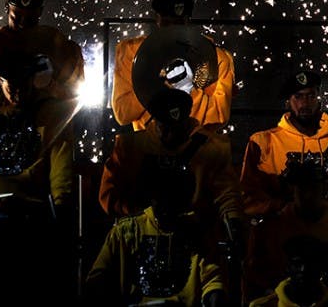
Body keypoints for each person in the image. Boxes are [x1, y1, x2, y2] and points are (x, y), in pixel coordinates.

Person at [99, 87, 245, 294]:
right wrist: (144, 219)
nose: (170, 134)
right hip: (139, 238)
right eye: (165, 127)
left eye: (177, 128)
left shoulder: (211, 148)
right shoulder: (130, 147)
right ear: (154, 122)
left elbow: (227, 194)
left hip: (194, 240)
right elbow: (109, 195)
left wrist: (234, 224)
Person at [0, 50, 76, 300]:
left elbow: (61, 169)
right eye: (12, 87)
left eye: (25, 85)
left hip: (33, 221)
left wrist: (62, 208)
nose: (19, 93)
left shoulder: (52, 112)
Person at [85, 159, 228, 306]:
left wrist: (214, 295)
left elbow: (212, 278)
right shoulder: (126, 232)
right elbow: (96, 281)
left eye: (175, 201)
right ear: (152, 197)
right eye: (164, 198)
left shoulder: (196, 233)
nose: (168, 207)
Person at [243, 152, 328, 306]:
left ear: (323, 189)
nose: (308, 195)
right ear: (293, 189)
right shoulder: (270, 230)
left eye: (313, 189)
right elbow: (253, 278)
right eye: (302, 189)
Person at [240, 68, 328, 220]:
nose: (305, 103)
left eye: (311, 96)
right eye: (298, 96)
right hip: (281, 234)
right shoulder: (263, 142)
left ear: (319, 100)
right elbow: (249, 199)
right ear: (288, 102)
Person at [112, 0, 236, 132]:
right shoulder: (130, 52)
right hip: (150, 147)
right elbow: (123, 114)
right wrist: (160, 84)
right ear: (157, 20)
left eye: (178, 24)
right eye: (167, 23)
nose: (172, 30)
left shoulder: (217, 57)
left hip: (195, 148)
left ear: (188, 22)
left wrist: (187, 89)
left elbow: (219, 117)